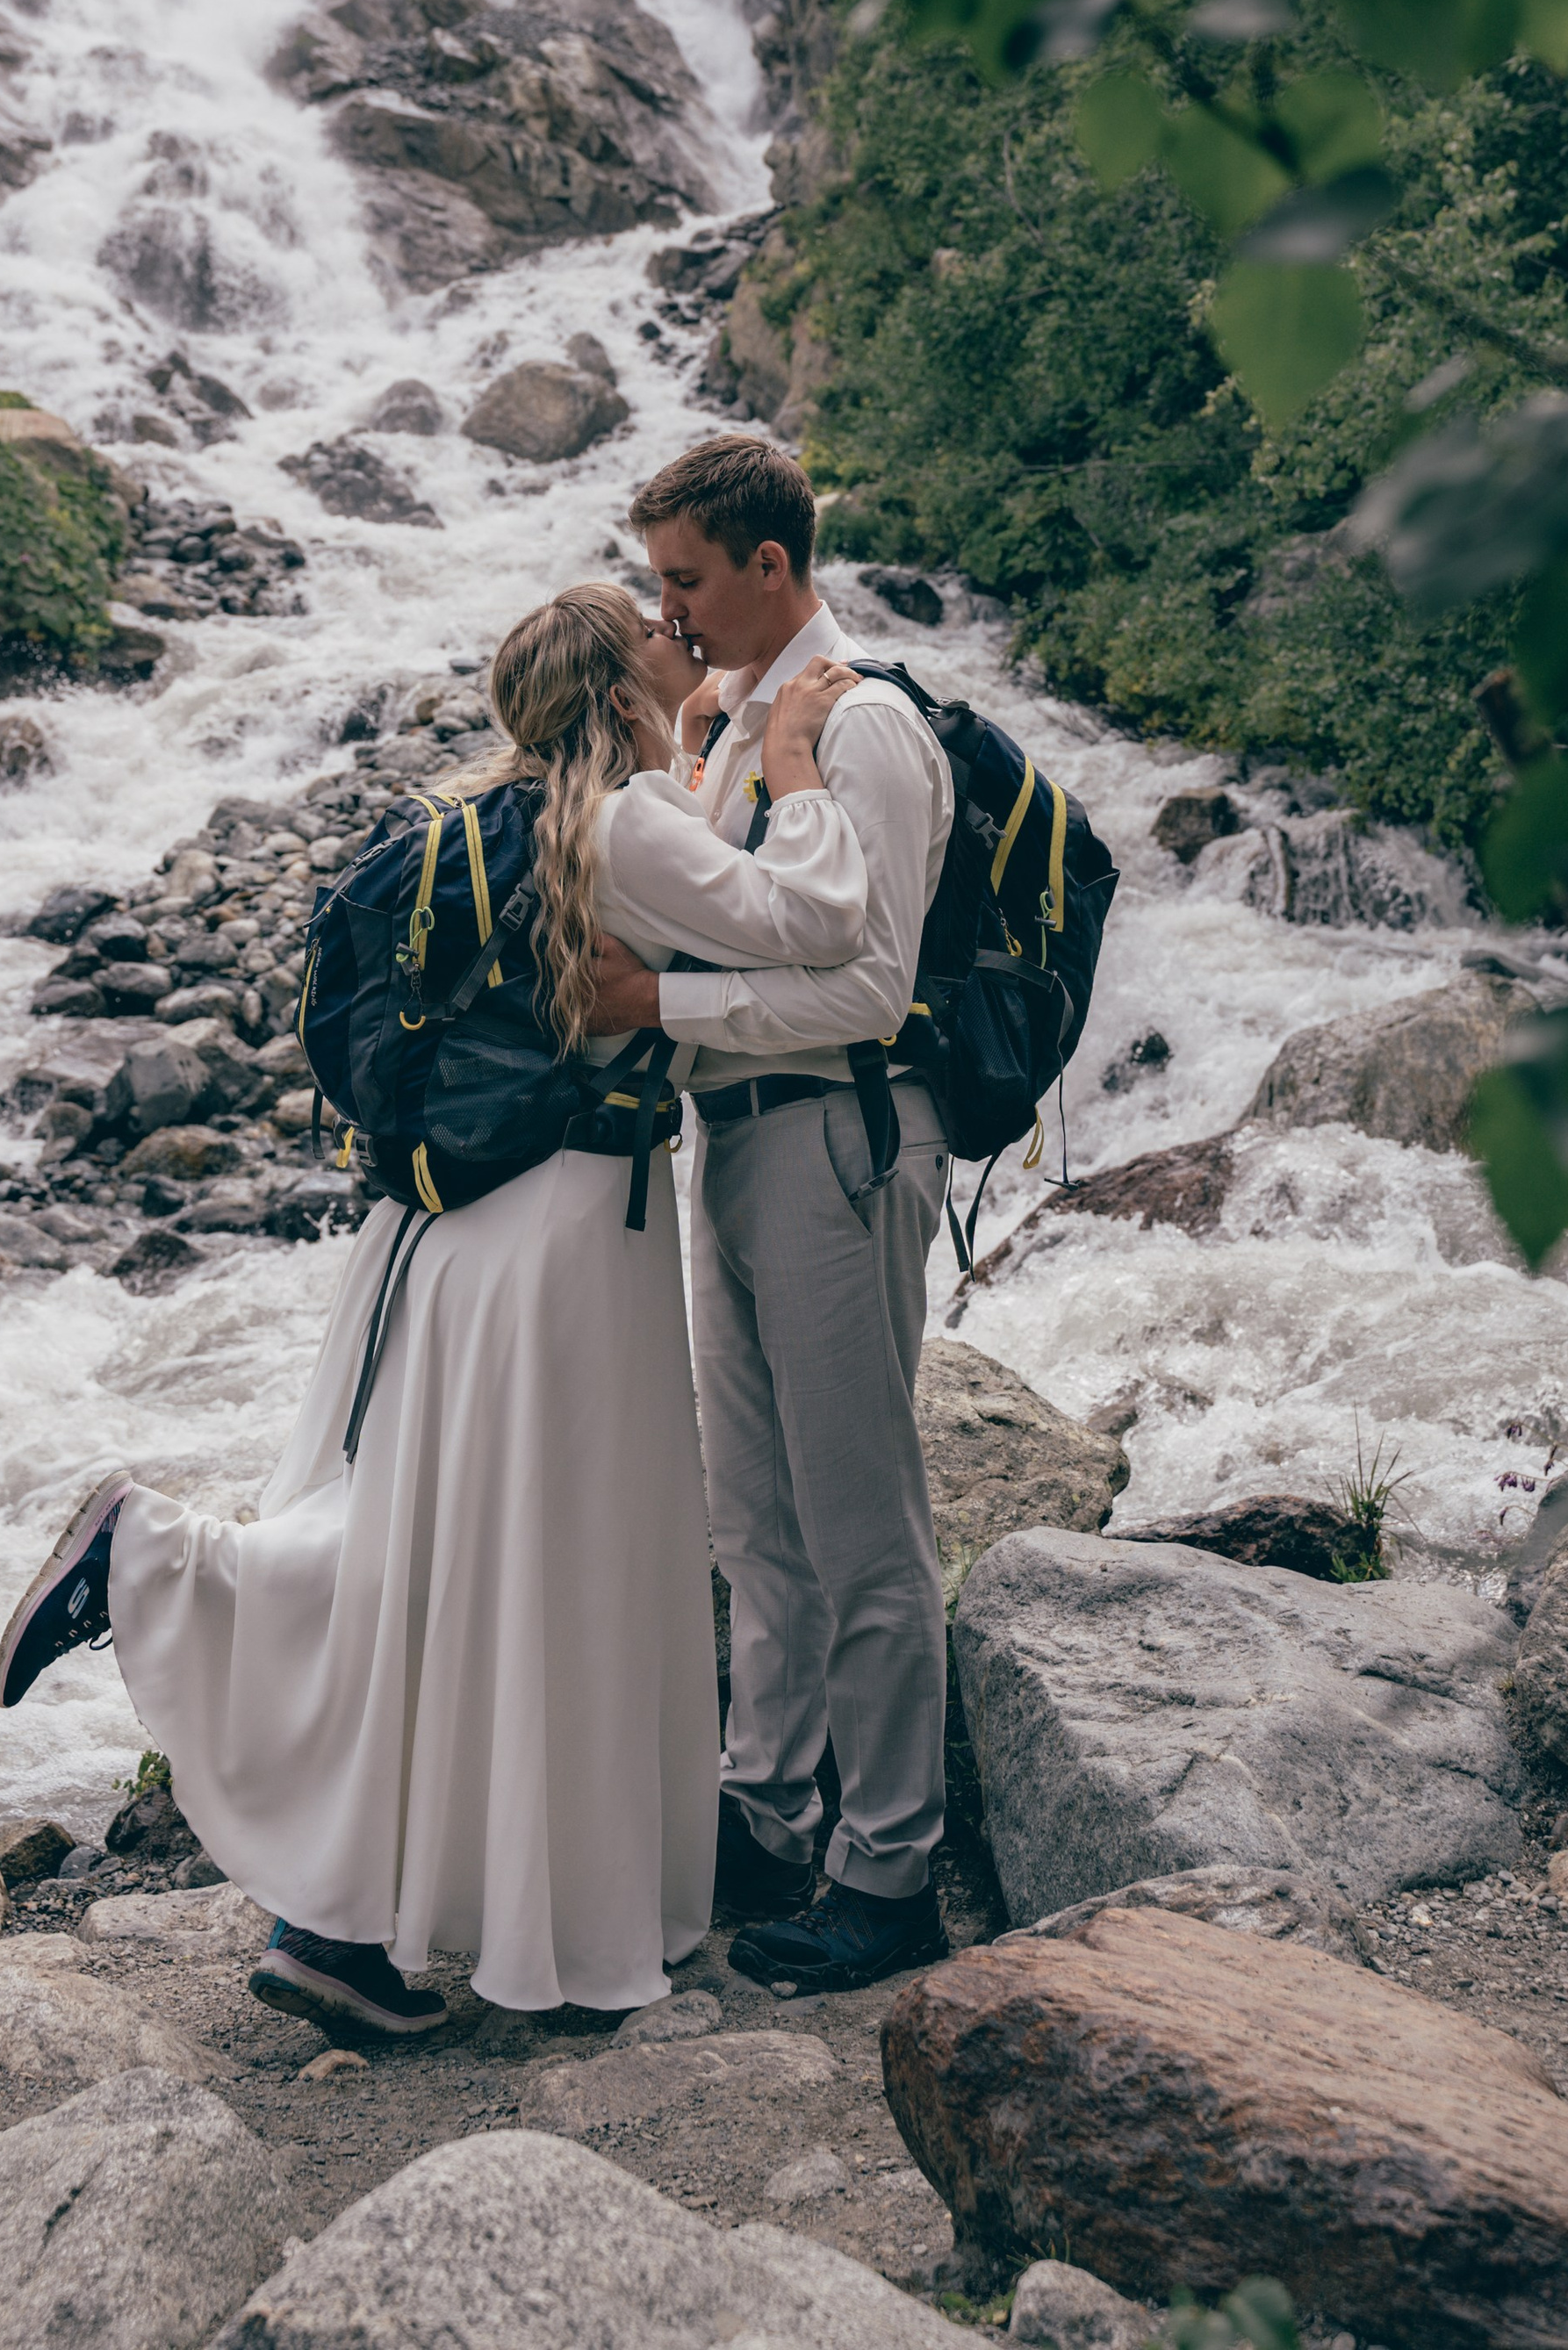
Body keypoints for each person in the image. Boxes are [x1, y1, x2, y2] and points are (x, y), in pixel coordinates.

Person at [0, 581, 867, 2037]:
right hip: (562, 1239)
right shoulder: (625, 826)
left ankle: (333, 1928)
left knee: (429, 1560)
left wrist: (699, 746)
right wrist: (783, 771)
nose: (679, 626)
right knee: (543, 1570)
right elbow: (819, 921)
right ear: (614, 684)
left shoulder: (500, 816)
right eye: (653, 625)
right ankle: (154, 1563)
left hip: (442, 1227)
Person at [587, 433, 955, 1999]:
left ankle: (890, 1872)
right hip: (733, 1139)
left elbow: (870, 988)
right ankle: (768, 1808)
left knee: (861, 1523)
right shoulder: (729, 719)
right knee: (757, 1517)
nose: (661, 614)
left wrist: (659, 999)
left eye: (683, 582)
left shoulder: (856, 727)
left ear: (771, 569)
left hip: (836, 1139)